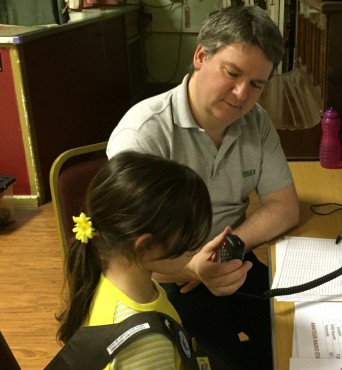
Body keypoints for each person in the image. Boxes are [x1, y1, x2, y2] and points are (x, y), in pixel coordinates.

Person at [106, 5, 300, 370]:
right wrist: (190, 268)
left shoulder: (255, 123)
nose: (242, 94)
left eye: (256, 84)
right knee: (222, 358)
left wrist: (224, 251)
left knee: (293, 342)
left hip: (230, 257)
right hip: (165, 274)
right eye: (232, 73)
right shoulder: (143, 133)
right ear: (200, 56)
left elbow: (285, 206)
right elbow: (127, 246)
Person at [55, 151, 221, 369]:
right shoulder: (147, 347)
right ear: (146, 247)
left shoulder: (106, 279)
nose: (198, 246)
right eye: (190, 239)